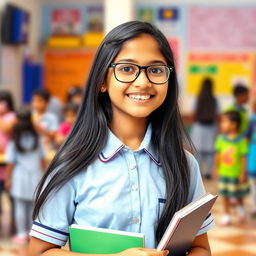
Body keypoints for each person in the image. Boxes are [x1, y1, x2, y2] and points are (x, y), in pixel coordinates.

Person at [28, 21, 215, 256]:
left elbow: (200, 248)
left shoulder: (184, 164)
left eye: (156, 70)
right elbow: (40, 251)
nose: (143, 82)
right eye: (127, 69)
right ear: (102, 81)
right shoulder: (72, 163)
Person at [5, 109, 46, 244]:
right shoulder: (36, 138)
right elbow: (42, 160)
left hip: (19, 177)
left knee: (20, 206)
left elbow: (10, 163)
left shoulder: (14, 140)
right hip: (36, 175)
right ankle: (31, 233)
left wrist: (8, 178)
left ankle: (21, 234)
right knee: (33, 207)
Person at [213, 111, 249, 226]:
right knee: (225, 195)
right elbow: (217, 155)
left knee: (239, 194)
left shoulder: (241, 141)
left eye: (224, 122)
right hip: (224, 173)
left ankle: (240, 208)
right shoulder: (221, 139)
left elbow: (243, 158)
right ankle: (227, 215)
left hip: (236, 174)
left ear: (233, 124)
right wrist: (215, 168)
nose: (221, 124)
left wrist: (243, 173)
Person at [190, 78, 219, 180]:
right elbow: (217, 115)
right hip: (211, 128)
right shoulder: (214, 100)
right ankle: (208, 173)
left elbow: (193, 114)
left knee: (198, 152)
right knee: (210, 152)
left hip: (199, 127)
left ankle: (198, 173)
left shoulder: (198, 99)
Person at [0, 90, 16, 231]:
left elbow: (5, 129)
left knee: (12, 197)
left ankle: (15, 224)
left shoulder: (12, 116)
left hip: (10, 163)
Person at [246, 100, 256, 218]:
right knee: (253, 182)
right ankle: (254, 207)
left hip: (253, 153)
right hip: (253, 153)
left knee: (253, 183)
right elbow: (247, 135)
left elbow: (247, 136)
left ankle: (254, 207)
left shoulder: (253, 119)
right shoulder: (253, 120)